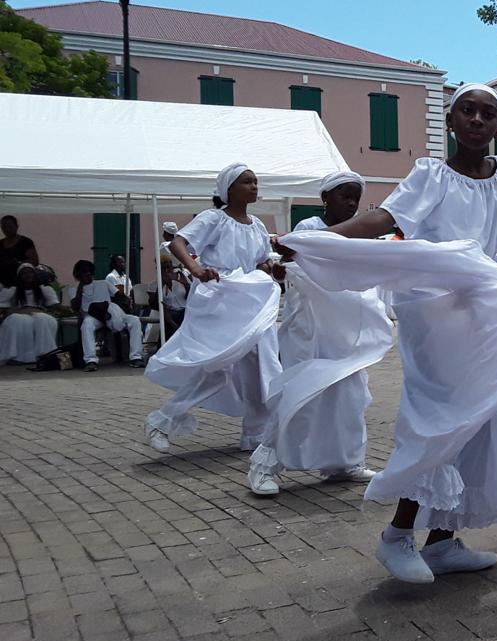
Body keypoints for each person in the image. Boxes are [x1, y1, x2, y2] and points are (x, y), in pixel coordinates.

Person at [278, 83, 497, 584]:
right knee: (444, 415)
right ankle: (396, 535)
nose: (478, 120)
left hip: (481, 304)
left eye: (488, 114)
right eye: (468, 112)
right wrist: (318, 240)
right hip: (432, 308)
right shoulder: (430, 174)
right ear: (451, 122)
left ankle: (443, 541)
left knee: (479, 414)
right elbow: (384, 217)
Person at [247, 171, 393, 496]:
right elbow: (303, 266)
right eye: (345, 195)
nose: (352, 202)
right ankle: (264, 464)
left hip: (345, 333)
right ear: (326, 198)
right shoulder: (309, 229)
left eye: (356, 195)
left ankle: (344, 462)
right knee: (302, 396)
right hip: (310, 331)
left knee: (350, 397)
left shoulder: (359, 236)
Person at [144, 164, 283, 454]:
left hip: (252, 301)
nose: (254, 186)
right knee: (218, 367)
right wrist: (195, 268)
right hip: (221, 297)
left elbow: (259, 262)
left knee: (261, 365)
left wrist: (273, 268)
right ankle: (162, 419)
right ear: (228, 189)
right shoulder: (214, 219)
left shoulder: (257, 225)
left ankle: (255, 434)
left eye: (256, 182)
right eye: (247, 182)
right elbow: (178, 242)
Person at [64, 259, 145, 372]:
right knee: (87, 324)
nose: (88, 274)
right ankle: (91, 360)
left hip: (110, 313)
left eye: (90, 271)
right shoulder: (73, 290)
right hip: (93, 316)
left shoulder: (103, 283)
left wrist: (125, 299)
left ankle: (136, 357)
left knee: (135, 320)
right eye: (84, 271)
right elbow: (75, 307)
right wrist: (81, 288)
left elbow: (120, 296)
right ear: (78, 275)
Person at [0, 263, 59, 364]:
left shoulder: (44, 289)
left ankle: (44, 354)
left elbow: (55, 305)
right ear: (20, 277)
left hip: (39, 313)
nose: (28, 275)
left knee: (42, 318)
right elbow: (2, 307)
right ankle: (18, 357)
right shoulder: (13, 291)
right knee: (20, 320)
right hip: (19, 314)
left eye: (30, 272)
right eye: (24, 273)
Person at [0, 216, 39, 288]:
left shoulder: (26, 242)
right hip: (3, 284)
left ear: (16, 226)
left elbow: (35, 261)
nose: (7, 229)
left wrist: (19, 263)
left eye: (10, 226)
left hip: (22, 283)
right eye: (4, 227)